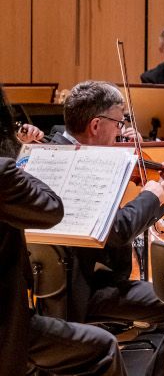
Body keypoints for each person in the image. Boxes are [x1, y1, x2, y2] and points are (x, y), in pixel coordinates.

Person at [0, 84, 125, 376]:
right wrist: (25, 158)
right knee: (103, 347)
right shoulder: (5, 174)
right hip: (8, 327)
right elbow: (52, 207)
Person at [43, 80, 164, 326]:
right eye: (119, 123)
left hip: (49, 288)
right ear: (95, 125)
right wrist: (153, 194)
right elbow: (118, 231)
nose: (120, 132)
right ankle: (150, 363)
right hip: (80, 291)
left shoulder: (47, 155)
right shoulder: (82, 165)